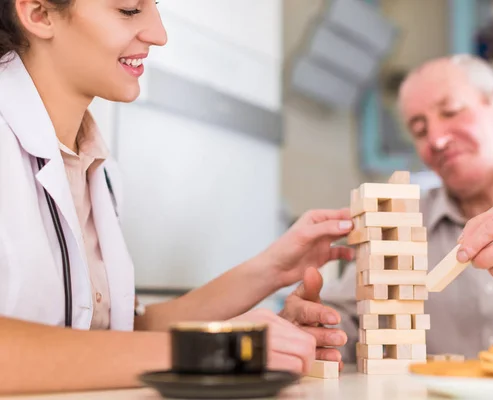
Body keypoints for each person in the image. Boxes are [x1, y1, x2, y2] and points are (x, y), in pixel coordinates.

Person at [0, 0, 349, 395]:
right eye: (130, 9)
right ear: (39, 13)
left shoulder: (97, 164)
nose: (159, 34)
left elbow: (116, 335)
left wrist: (271, 270)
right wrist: (213, 352)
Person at [321, 54, 493, 363]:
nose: (437, 139)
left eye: (451, 112)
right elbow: (350, 319)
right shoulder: (397, 222)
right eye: (419, 129)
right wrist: (314, 328)